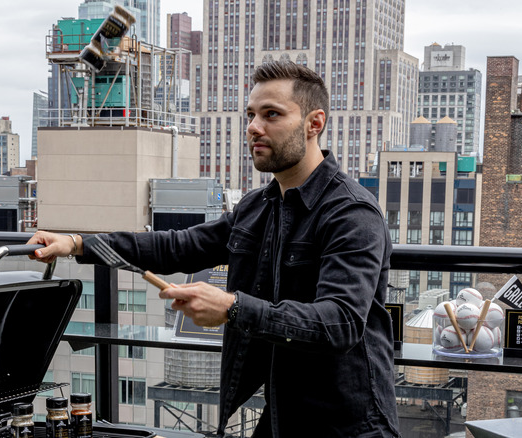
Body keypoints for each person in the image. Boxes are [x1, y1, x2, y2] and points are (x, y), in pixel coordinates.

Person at [28, 60, 400, 437]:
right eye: (251, 114)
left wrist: (233, 308)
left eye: (272, 114)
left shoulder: (352, 212)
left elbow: (340, 322)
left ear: (313, 124)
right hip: (282, 413)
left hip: (351, 423)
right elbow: (177, 247)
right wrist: (75, 243)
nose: (254, 127)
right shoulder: (258, 207)